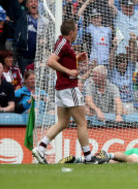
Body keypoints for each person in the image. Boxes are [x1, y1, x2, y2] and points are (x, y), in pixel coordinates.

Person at [32, 20, 105, 164]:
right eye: (76, 30)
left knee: (63, 122)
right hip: (69, 88)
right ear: (71, 32)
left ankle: (40, 148)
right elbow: (51, 61)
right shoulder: (63, 44)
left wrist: (77, 58)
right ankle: (89, 157)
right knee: (82, 122)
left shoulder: (64, 44)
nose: (77, 32)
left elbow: (62, 60)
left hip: (62, 88)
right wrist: (69, 71)